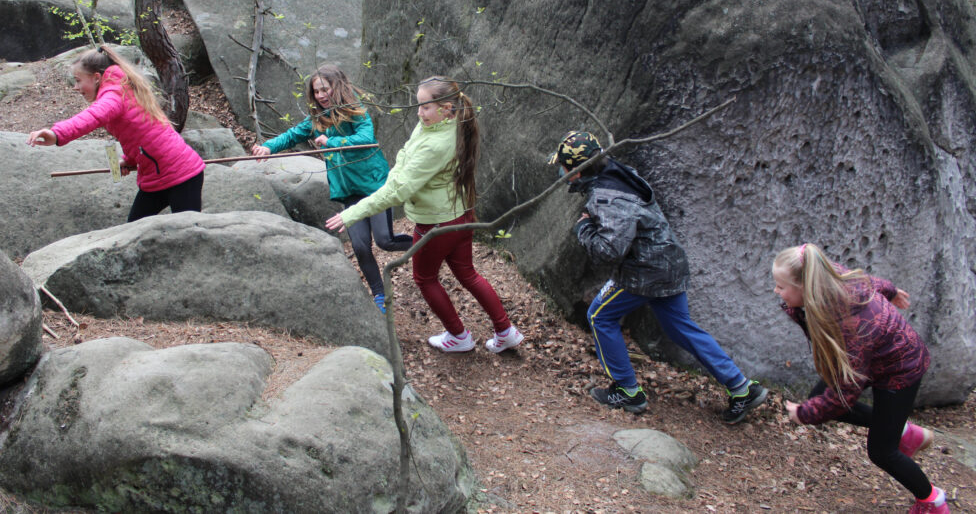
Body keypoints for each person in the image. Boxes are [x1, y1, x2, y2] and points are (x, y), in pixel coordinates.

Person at [551, 130, 767, 423]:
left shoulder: (608, 197)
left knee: (599, 316)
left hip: (645, 273)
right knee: (681, 328)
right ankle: (741, 388)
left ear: (577, 170)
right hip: (668, 263)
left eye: (564, 166)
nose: (561, 172)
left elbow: (609, 251)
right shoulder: (620, 173)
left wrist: (584, 228)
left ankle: (627, 391)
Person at [325, 76, 523, 354]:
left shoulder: (436, 144)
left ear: (447, 108)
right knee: (467, 273)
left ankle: (459, 336)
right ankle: (505, 331)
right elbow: (407, 153)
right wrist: (398, 170)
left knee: (425, 278)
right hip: (460, 214)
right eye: (418, 105)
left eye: (425, 107)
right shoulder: (447, 122)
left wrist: (352, 213)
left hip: (438, 223)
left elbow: (398, 190)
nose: (419, 113)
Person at [773, 243, 948, 514]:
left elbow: (845, 393)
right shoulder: (829, 279)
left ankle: (932, 501)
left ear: (804, 286)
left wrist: (805, 415)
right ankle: (904, 432)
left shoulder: (851, 328)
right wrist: (891, 291)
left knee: (882, 452)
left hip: (901, 369)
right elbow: (870, 282)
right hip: (874, 360)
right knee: (819, 399)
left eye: (781, 286)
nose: (776, 291)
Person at [251, 64, 411, 312]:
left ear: (337, 86)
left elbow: (366, 138)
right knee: (360, 246)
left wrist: (331, 141)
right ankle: (380, 295)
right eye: (316, 91)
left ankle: (425, 243)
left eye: (325, 89)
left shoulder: (356, 110)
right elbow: (292, 135)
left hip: (374, 185)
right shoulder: (317, 119)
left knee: (385, 240)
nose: (321, 95)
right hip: (349, 191)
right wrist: (268, 147)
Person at [27, 45, 205, 222]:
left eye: (78, 80)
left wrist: (56, 134)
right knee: (133, 228)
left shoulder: (113, 95)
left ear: (96, 77)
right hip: (157, 177)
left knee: (189, 230)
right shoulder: (119, 89)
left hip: (182, 174)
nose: (75, 87)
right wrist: (130, 160)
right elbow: (140, 134)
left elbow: (92, 117)